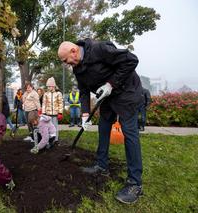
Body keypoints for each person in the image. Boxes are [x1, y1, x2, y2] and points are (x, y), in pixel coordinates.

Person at [58, 39, 143, 204]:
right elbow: (83, 92)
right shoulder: (78, 68)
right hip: (107, 97)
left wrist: (111, 84)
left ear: (74, 51)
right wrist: (84, 115)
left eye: (65, 60)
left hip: (127, 93)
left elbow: (132, 60)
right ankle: (101, 165)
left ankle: (135, 183)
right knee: (103, 127)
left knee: (129, 133)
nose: (66, 64)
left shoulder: (99, 49)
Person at [42, 77, 63, 142]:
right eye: (47, 86)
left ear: (53, 86)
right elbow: (44, 103)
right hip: (48, 114)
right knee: (48, 127)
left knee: (55, 126)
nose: (48, 88)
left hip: (55, 114)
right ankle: (50, 138)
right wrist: (43, 113)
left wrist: (60, 113)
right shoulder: (46, 94)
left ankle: (55, 139)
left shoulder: (58, 93)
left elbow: (60, 103)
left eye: (49, 86)